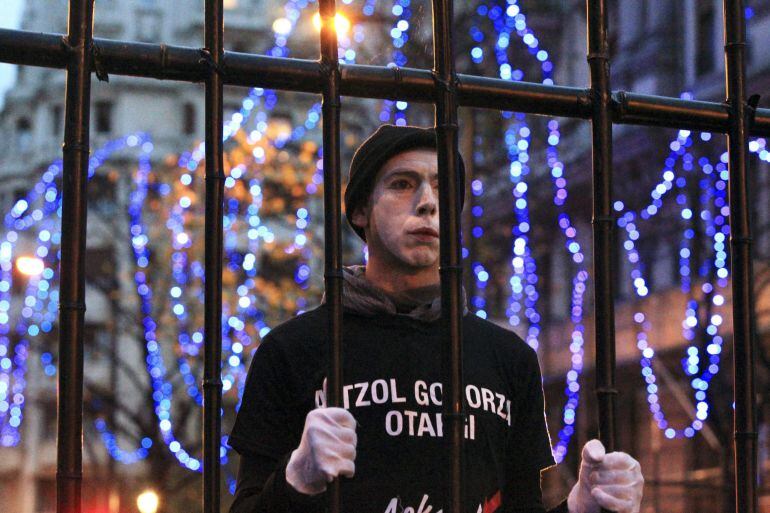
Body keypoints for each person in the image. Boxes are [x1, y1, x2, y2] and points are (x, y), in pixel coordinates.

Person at [228, 125, 644, 513]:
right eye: (402, 184)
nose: (428, 202)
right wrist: (296, 478)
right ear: (359, 211)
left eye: (443, 188)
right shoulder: (293, 348)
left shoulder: (506, 357)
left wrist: (580, 506)